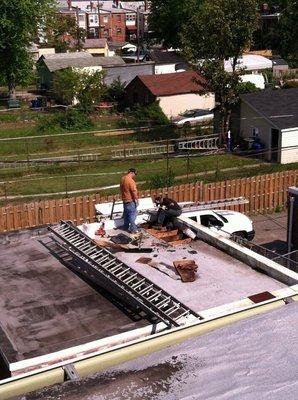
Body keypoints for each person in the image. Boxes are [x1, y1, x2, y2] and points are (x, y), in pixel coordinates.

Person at [120, 168, 139, 233]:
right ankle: (133, 229)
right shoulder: (131, 181)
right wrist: (136, 200)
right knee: (132, 215)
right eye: (135, 174)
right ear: (132, 172)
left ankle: (125, 227)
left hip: (124, 200)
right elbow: (134, 191)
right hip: (130, 201)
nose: (135, 176)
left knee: (126, 215)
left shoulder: (122, 179)